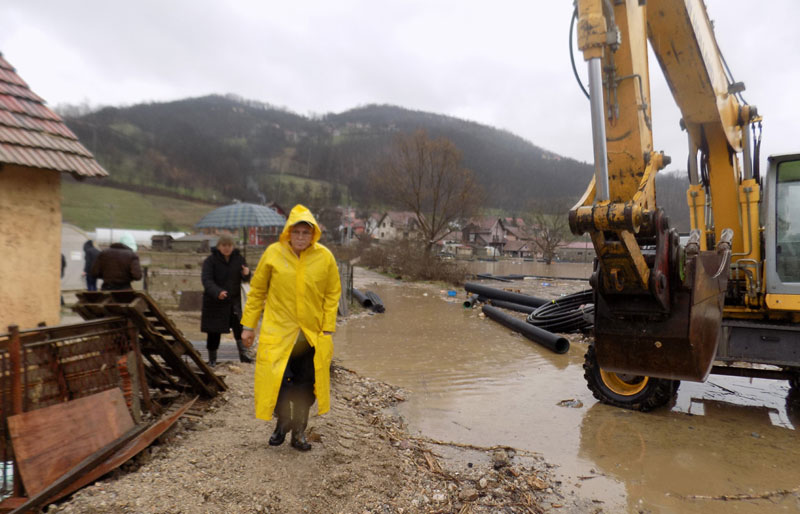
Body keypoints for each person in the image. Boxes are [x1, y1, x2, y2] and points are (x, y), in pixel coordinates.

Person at [241, 204, 341, 451]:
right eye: (296, 232)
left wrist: (328, 326)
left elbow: (332, 293)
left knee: (306, 386)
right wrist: (248, 326)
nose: (300, 237)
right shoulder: (273, 254)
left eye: (306, 232)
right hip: (278, 333)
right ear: (288, 232)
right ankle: (283, 420)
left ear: (313, 234)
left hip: (310, 335)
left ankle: (299, 432)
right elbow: (257, 292)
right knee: (278, 382)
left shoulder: (325, 257)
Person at [200, 233, 251, 367]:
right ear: (219, 246)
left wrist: (247, 274)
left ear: (233, 246)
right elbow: (206, 280)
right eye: (224, 245)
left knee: (239, 328)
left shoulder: (239, 259)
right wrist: (217, 292)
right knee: (214, 332)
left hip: (234, 301)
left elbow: (245, 279)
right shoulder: (210, 261)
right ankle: (212, 359)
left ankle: (244, 355)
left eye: (229, 245)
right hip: (215, 302)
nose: (227, 248)